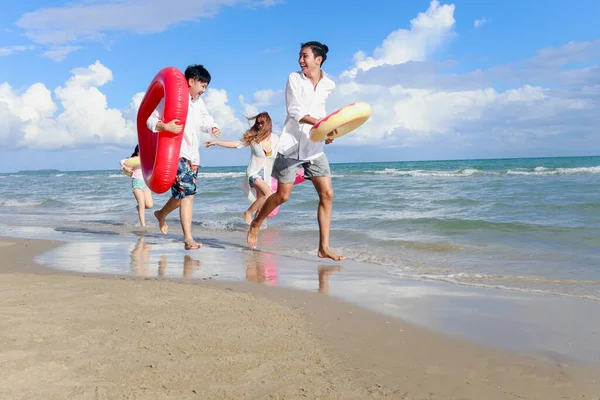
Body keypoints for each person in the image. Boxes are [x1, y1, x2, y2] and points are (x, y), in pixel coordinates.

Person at [246, 41, 345, 261]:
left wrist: (327, 133)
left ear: (318, 60)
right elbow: (295, 111)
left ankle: (324, 247)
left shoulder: (329, 84)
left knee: (327, 194)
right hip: (291, 146)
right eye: (300, 56)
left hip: (314, 147)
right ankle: (256, 223)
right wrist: (322, 125)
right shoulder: (294, 79)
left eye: (305, 56)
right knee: (282, 196)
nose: (300, 60)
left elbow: (321, 111)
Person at [147, 64, 221, 250]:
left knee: (184, 195)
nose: (204, 90)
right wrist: (165, 126)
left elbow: (206, 120)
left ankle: (161, 213)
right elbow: (149, 120)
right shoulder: (172, 99)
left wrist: (212, 127)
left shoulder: (198, 103)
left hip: (193, 156)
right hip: (176, 154)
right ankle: (188, 239)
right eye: (202, 86)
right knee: (188, 195)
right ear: (191, 81)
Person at [204, 112, 279, 225]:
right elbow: (236, 144)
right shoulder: (254, 138)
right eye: (257, 123)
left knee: (261, 205)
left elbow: (283, 153)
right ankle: (248, 213)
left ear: (268, 123)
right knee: (268, 194)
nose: (259, 126)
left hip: (266, 177)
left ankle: (255, 229)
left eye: (262, 123)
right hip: (254, 174)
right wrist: (217, 142)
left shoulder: (275, 138)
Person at [120, 145, 153, 227]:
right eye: (141, 152)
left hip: (146, 183)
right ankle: (143, 225)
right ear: (137, 152)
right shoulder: (134, 160)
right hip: (137, 183)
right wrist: (125, 168)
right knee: (142, 203)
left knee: (149, 205)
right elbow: (121, 161)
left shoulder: (147, 159)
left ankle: (139, 208)